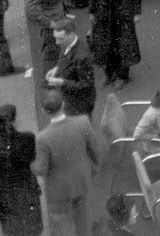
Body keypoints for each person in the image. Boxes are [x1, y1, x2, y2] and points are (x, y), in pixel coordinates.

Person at [30, 90, 100, 236]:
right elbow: (95, 149)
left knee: (62, 223)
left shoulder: (43, 138)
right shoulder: (83, 122)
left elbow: (41, 169)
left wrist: (31, 165)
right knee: (82, 218)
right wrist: (94, 168)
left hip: (58, 189)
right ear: (63, 104)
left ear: (43, 110)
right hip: (81, 180)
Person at [0, 104, 42, 236]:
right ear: (13, 121)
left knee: (11, 230)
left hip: (5, 195)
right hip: (27, 190)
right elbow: (31, 158)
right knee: (32, 229)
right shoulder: (28, 138)